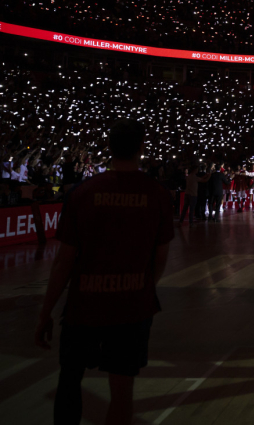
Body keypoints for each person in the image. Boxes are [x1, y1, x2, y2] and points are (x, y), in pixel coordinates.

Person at [34, 118, 173, 425]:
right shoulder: (158, 194)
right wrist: (144, 286)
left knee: (69, 382)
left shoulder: (83, 193)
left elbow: (64, 261)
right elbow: (161, 256)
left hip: (85, 306)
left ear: (109, 147)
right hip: (133, 308)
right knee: (123, 391)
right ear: (141, 147)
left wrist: (45, 312)